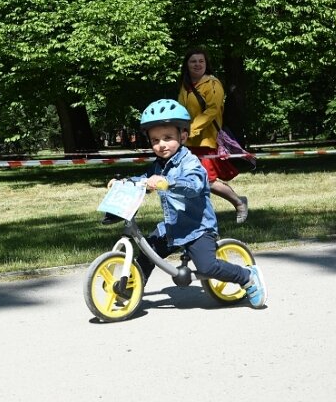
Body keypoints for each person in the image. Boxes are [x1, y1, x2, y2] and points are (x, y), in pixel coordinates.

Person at [108, 99, 267, 308]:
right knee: (147, 253)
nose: (161, 144)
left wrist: (169, 182)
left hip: (198, 229)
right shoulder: (159, 165)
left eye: (167, 138)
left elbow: (194, 184)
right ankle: (132, 287)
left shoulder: (191, 162)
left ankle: (247, 277)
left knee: (208, 267)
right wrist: (124, 183)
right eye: (155, 140)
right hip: (172, 227)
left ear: (183, 136)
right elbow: (144, 179)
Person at [176, 48, 249, 223]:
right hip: (187, 141)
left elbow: (213, 110)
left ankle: (239, 203)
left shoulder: (213, 83)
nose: (197, 64)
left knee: (207, 180)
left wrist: (191, 129)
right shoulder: (185, 86)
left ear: (207, 64)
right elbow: (180, 111)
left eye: (201, 61)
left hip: (206, 140)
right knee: (187, 179)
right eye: (193, 61)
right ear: (187, 64)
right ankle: (195, 216)